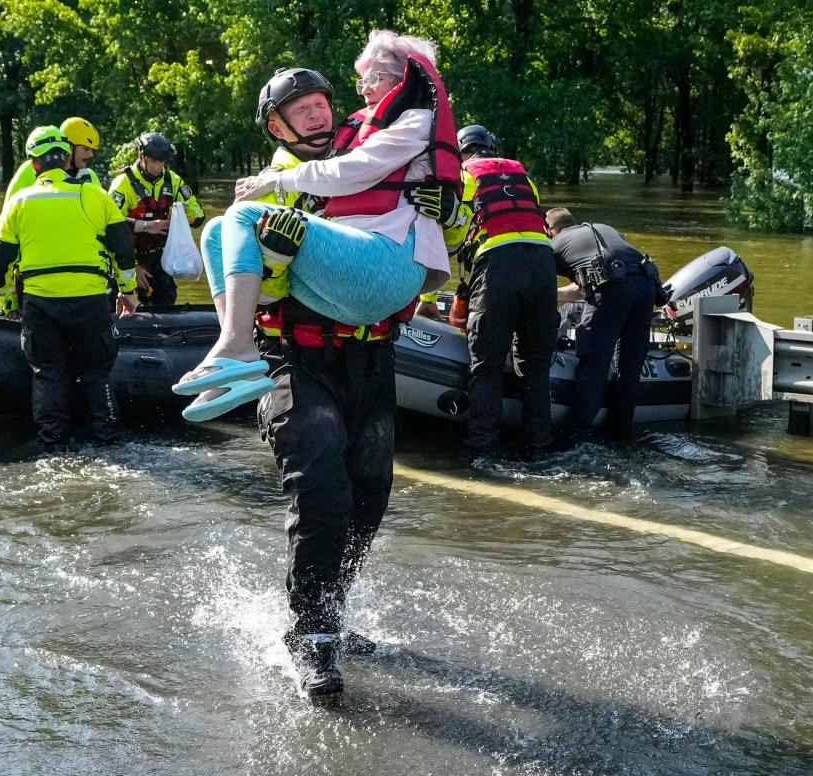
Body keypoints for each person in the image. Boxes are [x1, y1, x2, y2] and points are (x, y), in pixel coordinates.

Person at [183, 31, 459, 699]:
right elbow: (247, 261)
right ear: (275, 125)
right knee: (322, 493)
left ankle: (332, 611)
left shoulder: (369, 153)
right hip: (293, 358)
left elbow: (419, 218)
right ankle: (310, 635)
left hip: (369, 355)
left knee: (369, 497)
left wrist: (444, 206)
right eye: (296, 109)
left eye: (318, 104)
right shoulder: (273, 184)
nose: (314, 114)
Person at [0, 126, 138, 452]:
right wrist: (128, 290)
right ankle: (108, 440)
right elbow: (123, 249)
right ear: (68, 158)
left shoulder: (19, 202)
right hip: (89, 301)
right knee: (97, 373)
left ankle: (52, 446)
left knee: (47, 373)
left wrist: (7, 298)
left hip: (41, 303)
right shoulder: (94, 196)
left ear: (33, 163)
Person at [444, 124, 555, 461]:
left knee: (487, 367)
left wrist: (430, 300)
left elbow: (446, 234)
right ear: (492, 148)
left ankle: (483, 454)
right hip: (542, 264)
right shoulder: (524, 176)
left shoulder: (462, 177)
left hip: (498, 266)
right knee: (535, 368)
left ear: (461, 150)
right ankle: (539, 451)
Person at [546, 208, 662, 447]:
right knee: (629, 366)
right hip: (645, 287)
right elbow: (595, 278)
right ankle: (620, 435)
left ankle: (575, 438)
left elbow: (536, 279)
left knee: (594, 362)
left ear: (549, 231)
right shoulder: (602, 229)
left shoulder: (555, 244)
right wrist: (556, 294)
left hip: (612, 292)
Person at [107, 132, 206, 307]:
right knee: (114, 300)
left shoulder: (172, 180)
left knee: (166, 296)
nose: (157, 167)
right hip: (127, 258)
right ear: (141, 156)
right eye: (153, 161)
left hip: (160, 258)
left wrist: (183, 214)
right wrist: (134, 266)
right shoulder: (122, 184)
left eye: (162, 162)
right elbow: (110, 227)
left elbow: (199, 216)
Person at [5, 116, 103, 199]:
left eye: (92, 150)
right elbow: (10, 211)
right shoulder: (30, 169)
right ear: (69, 146)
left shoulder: (91, 176)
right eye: (86, 149)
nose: (90, 155)